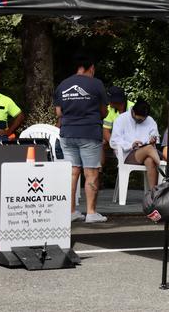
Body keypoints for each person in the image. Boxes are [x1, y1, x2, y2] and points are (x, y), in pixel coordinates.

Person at [54, 54, 108, 223]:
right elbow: (104, 112)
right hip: (89, 133)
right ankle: (91, 213)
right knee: (91, 173)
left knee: (72, 173)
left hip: (67, 133)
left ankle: (70, 212)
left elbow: (58, 113)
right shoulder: (96, 84)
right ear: (91, 67)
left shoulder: (63, 85)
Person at [110, 99, 161, 190]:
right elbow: (114, 141)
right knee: (149, 148)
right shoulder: (121, 119)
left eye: (143, 120)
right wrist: (131, 144)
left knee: (150, 161)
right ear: (133, 111)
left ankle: (154, 195)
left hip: (146, 152)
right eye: (138, 119)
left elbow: (155, 137)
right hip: (127, 155)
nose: (140, 121)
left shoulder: (150, 120)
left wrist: (153, 140)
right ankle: (164, 167)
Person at [101, 86, 134, 168]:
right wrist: (116, 144)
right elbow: (105, 132)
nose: (108, 102)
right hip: (115, 139)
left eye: (109, 100)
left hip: (132, 140)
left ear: (116, 101)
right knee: (101, 143)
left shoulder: (133, 108)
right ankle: (98, 174)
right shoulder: (109, 109)